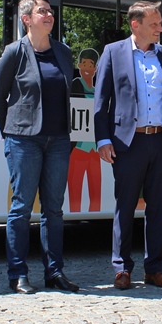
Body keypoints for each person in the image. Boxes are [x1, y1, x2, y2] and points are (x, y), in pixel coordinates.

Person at [94, 0, 162, 290]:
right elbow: (101, 101)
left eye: (160, 23)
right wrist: (103, 139)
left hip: (160, 140)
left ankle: (154, 268)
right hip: (126, 142)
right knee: (125, 206)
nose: (161, 28)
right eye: (154, 24)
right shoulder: (113, 53)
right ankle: (121, 269)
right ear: (136, 25)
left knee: (158, 207)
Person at [0, 0, 79, 294]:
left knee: (54, 210)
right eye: (42, 11)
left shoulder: (64, 53)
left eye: (51, 11)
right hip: (23, 140)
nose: (49, 15)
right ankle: (18, 274)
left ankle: (54, 273)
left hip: (58, 140)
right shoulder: (14, 52)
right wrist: (11, 133)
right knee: (22, 208)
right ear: (27, 19)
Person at [68, 48, 101, 213]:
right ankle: (75, 215)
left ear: (96, 68)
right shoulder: (74, 84)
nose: (87, 68)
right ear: (79, 65)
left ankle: (94, 215)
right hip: (78, 149)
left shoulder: (98, 91)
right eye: (84, 64)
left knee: (96, 190)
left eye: (91, 64)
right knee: (75, 187)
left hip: (95, 150)